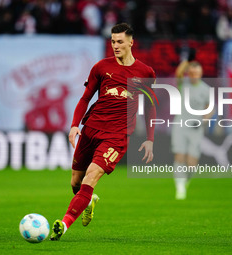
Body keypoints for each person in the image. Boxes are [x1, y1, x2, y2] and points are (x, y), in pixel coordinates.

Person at [50, 23, 157, 241]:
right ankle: (88, 201)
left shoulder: (145, 73)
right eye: (112, 41)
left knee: (91, 176)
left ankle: (64, 224)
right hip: (91, 129)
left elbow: (151, 106)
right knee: (76, 183)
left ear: (131, 42)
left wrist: (150, 139)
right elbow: (85, 98)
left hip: (117, 136)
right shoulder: (101, 67)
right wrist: (74, 125)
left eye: (119, 42)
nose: (115, 46)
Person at [172, 55, 211, 200]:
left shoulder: (206, 89)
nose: (194, 76)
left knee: (192, 163)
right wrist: (186, 62)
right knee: (179, 156)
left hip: (196, 128)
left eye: (197, 73)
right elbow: (178, 74)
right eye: (192, 73)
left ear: (201, 74)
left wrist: (203, 121)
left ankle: (185, 180)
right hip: (181, 125)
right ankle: (180, 188)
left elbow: (209, 109)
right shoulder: (184, 85)